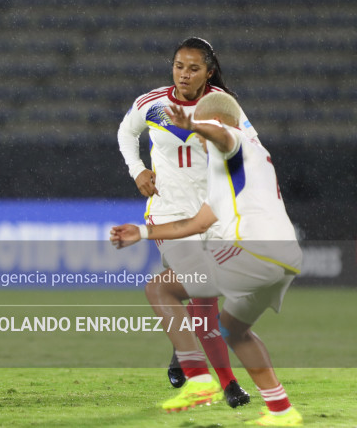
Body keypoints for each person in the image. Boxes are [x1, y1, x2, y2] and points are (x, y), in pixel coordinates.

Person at [110, 92, 303, 426]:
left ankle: (198, 378)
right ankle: (282, 411)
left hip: (253, 252)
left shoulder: (236, 142)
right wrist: (141, 233)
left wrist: (195, 124)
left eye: (202, 133)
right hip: (285, 258)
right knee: (233, 331)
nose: (198, 140)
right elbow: (197, 223)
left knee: (160, 290)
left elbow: (225, 134)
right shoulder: (228, 169)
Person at [117, 37, 253, 406]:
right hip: (170, 216)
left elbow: (250, 149)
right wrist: (137, 170)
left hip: (214, 217)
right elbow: (126, 132)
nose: (184, 74)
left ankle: (183, 356)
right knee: (204, 295)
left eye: (194, 68)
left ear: (209, 71)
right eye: (179, 66)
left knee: (209, 294)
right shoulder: (152, 104)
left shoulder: (222, 108)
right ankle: (227, 386)